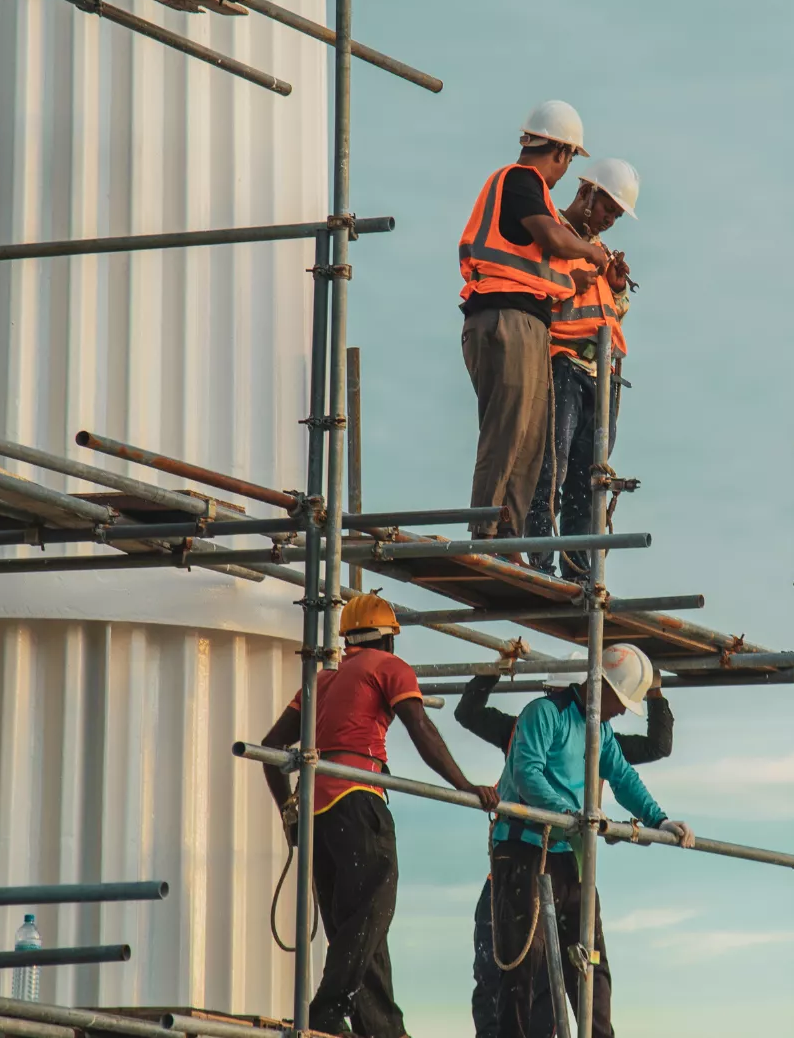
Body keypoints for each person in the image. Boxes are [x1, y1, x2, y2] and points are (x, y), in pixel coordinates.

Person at [259, 594, 500, 1038]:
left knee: (356, 926)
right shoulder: (389, 668)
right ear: (388, 639)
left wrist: (290, 813)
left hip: (317, 812)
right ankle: (327, 1010)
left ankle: (383, 1029)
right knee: (372, 910)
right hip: (357, 797)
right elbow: (421, 728)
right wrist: (464, 785)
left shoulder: (321, 682)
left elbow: (271, 752)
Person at [485, 644, 694, 1038]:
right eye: (622, 702)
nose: (621, 711)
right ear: (604, 687)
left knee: (590, 963)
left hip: (569, 854)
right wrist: (572, 814)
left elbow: (623, 778)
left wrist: (659, 819)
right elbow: (527, 774)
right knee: (521, 963)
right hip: (524, 849)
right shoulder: (544, 715)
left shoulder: (602, 730)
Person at [458, 101, 613, 548]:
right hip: (504, 320)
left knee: (530, 442)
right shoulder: (521, 180)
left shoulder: (530, 193)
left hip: (523, 322)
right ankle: (487, 532)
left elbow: (536, 263)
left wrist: (576, 277)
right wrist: (590, 253)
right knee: (507, 430)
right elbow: (549, 236)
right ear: (562, 151)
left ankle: (509, 536)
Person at [526, 159, 641, 581]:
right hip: (563, 363)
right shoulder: (552, 231)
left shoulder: (598, 251)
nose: (610, 220)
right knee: (550, 465)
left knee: (587, 480)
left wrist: (615, 287)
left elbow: (612, 313)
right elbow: (543, 290)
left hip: (602, 373)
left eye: (616, 214)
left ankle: (577, 570)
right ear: (586, 194)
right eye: (608, 208)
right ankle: (538, 558)